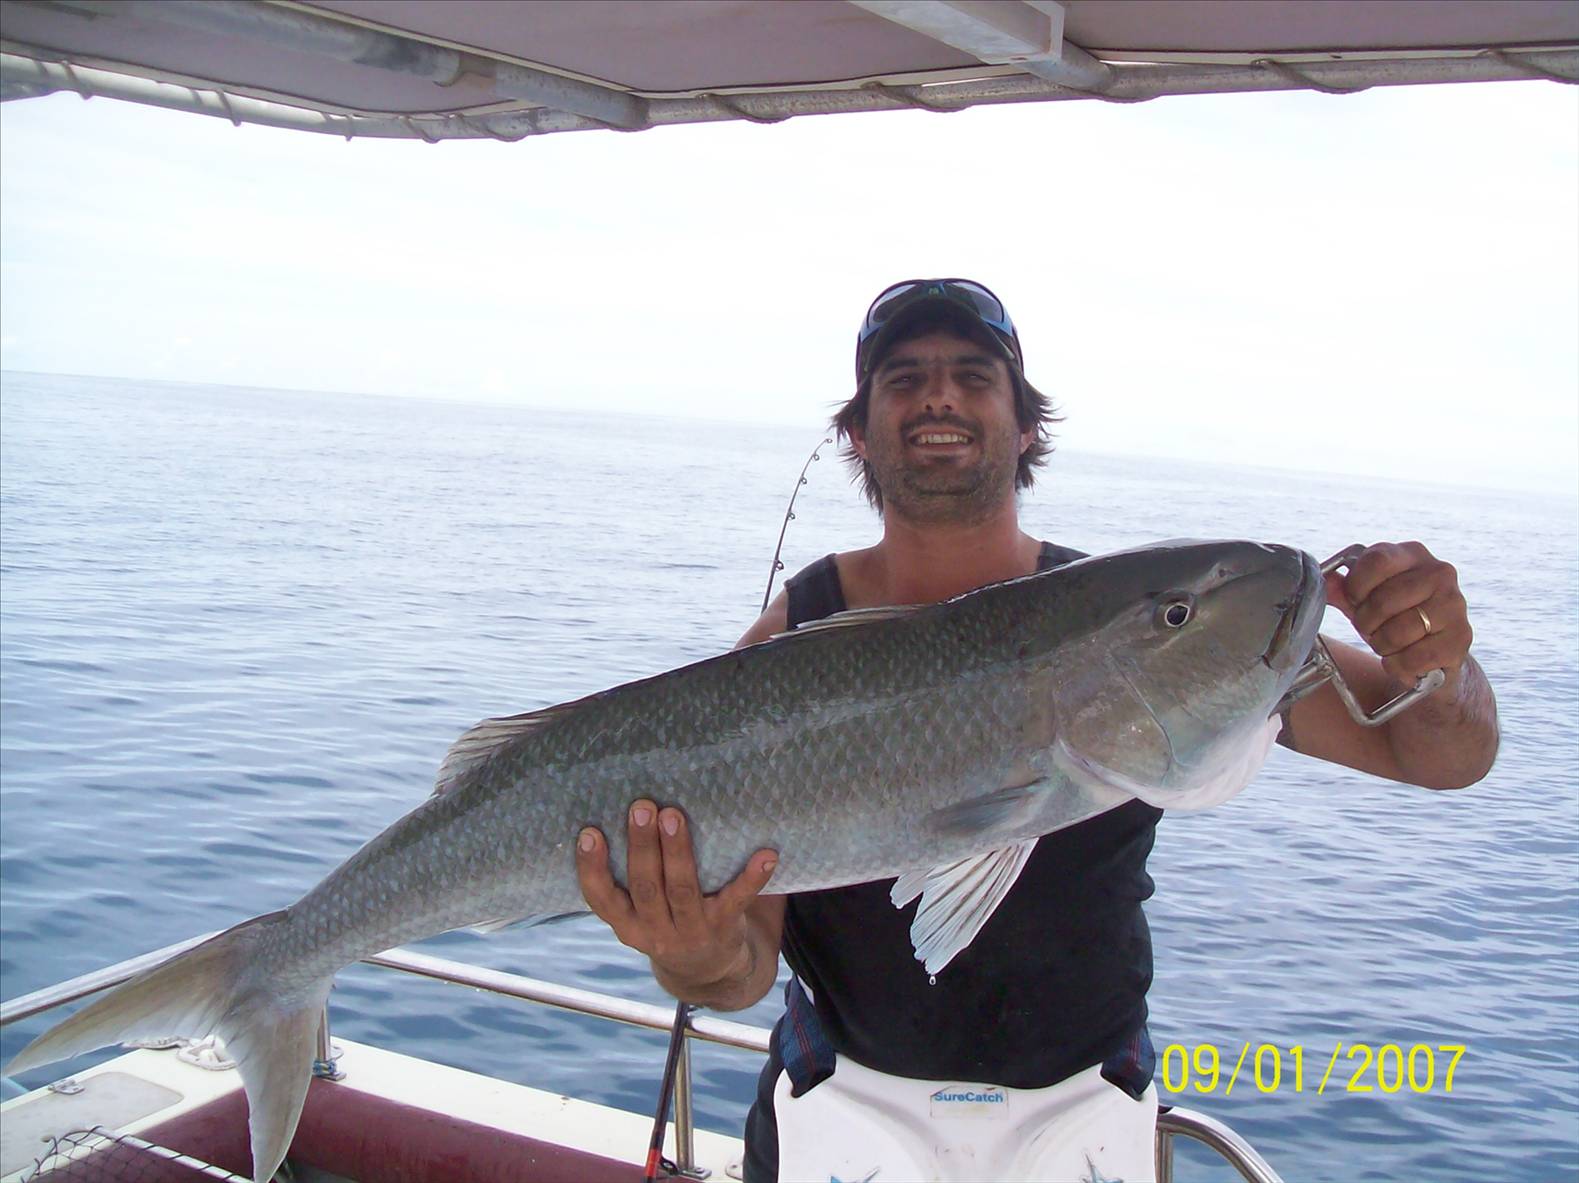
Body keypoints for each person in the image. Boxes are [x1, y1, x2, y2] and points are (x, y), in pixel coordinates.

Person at [574, 279, 1500, 1182]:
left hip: (1083, 1123)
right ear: (857, 431)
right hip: (837, 1119)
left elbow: (1442, 754)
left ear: (1025, 426)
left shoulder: (1149, 628)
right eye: (904, 378)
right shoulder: (788, 641)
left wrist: (1439, 662)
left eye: (974, 375)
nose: (939, 395)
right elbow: (738, 975)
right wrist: (689, 951)